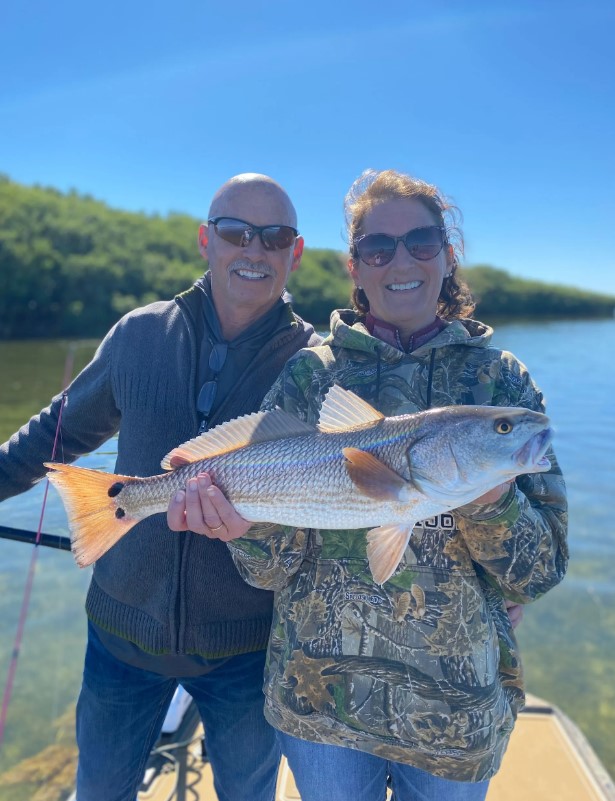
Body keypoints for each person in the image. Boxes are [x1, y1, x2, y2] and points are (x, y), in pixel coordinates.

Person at [180, 169, 568, 801]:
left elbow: (538, 573)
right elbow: (271, 571)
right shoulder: (310, 377)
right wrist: (244, 531)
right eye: (378, 248)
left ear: (448, 255)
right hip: (318, 705)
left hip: (457, 716)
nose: (401, 261)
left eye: (421, 241)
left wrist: (493, 500)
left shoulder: (502, 385)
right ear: (355, 268)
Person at [0, 173, 321, 801]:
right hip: (121, 636)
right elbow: (54, 434)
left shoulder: (317, 365)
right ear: (207, 239)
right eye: (236, 232)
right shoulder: (140, 333)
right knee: (98, 792)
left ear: (296, 253)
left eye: (275, 236)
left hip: (250, 649)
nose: (254, 250)